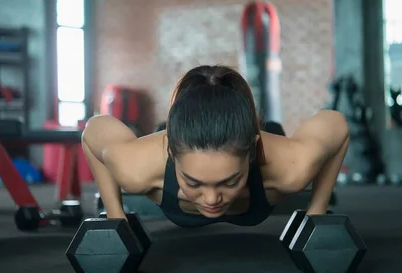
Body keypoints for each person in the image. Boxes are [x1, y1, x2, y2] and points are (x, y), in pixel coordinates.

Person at [82, 65, 350, 228]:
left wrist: (317, 211)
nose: (212, 199)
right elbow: (93, 132)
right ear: (171, 154)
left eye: (230, 181)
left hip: (263, 141)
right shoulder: (136, 167)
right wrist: (116, 217)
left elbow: (336, 125)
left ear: (251, 154)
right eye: (194, 183)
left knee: (274, 130)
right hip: (171, 142)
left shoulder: (293, 168)